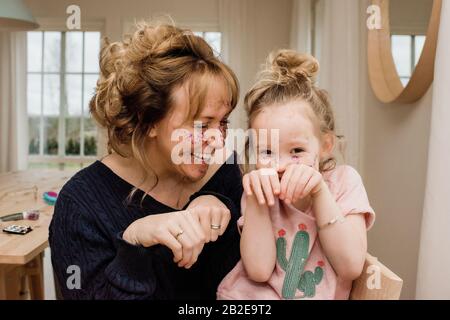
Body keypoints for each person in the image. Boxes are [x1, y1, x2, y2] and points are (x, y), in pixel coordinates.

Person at [49, 21, 242, 300]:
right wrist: (134, 242)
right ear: (147, 120)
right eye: (202, 124)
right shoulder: (79, 204)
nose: (219, 140)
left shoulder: (224, 174)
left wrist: (223, 202)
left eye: (222, 122)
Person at [217, 50, 375, 300]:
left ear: (325, 145)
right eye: (267, 150)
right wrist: (258, 202)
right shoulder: (257, 188)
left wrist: (320, 193)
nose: (280, 164)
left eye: (297, 150)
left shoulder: (343, 182)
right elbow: (258, 271)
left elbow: (351, 266)